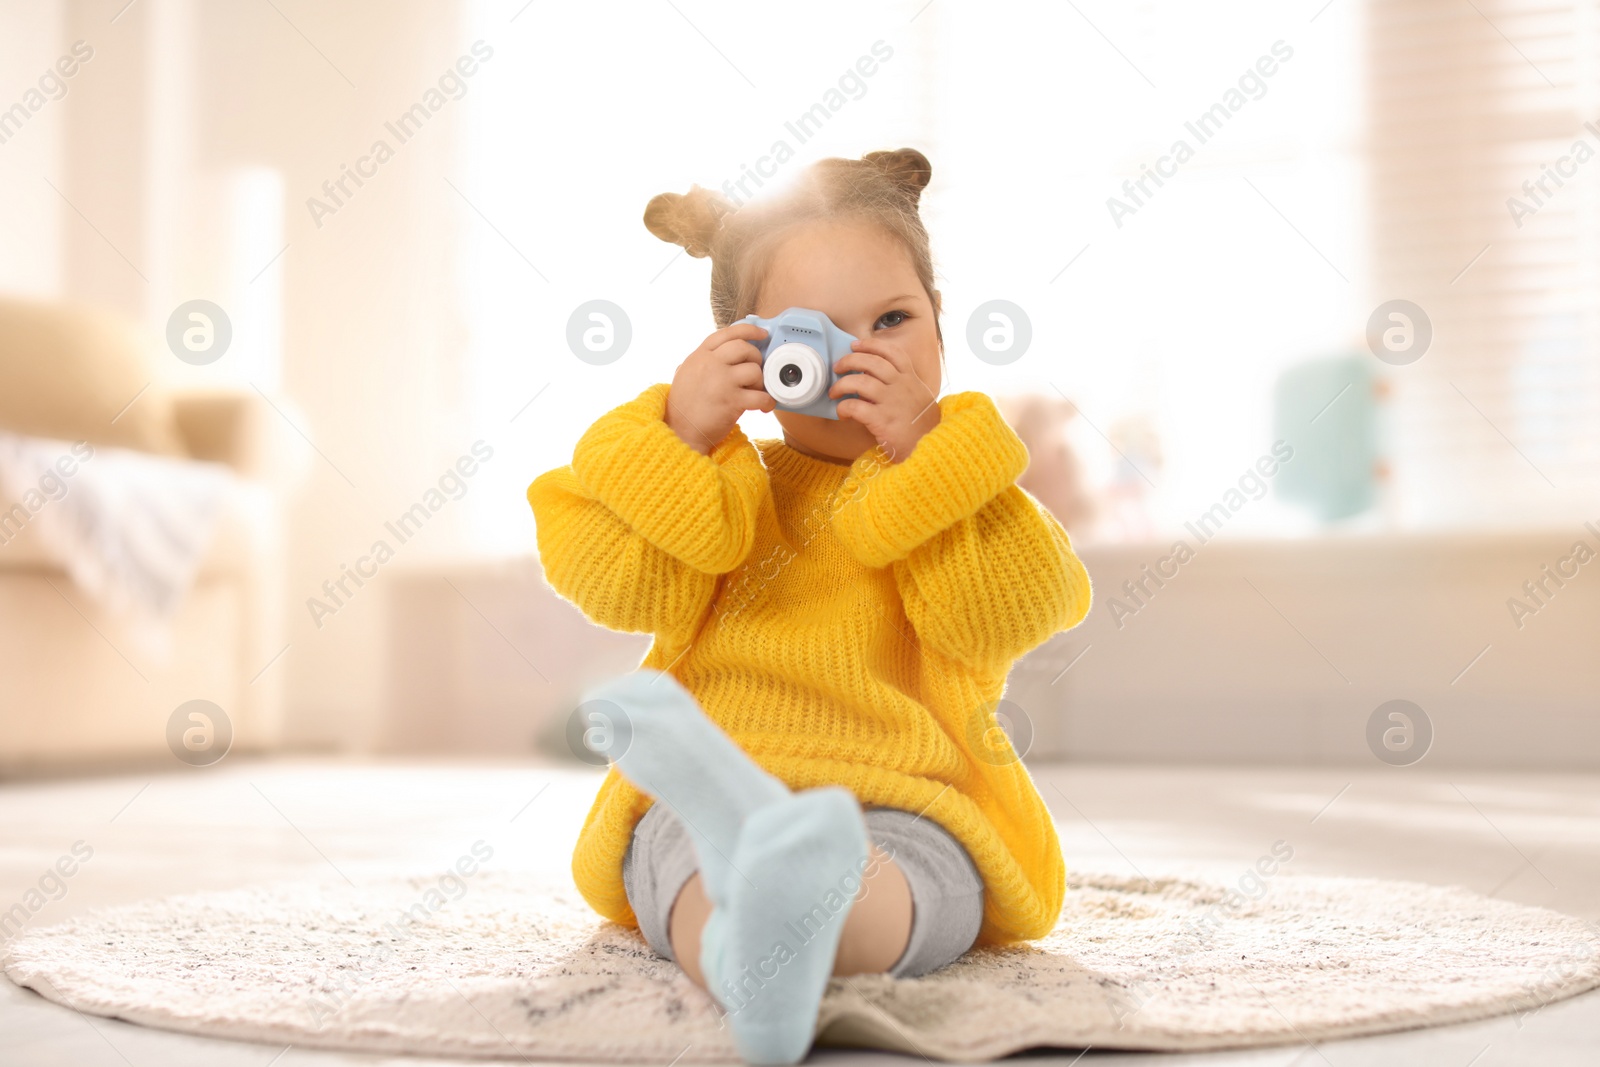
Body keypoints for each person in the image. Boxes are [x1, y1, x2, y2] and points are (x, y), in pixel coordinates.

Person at [526, 147, 1093, 1064]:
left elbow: (1010, 613)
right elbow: (616, 585)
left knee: (915, 884)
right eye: (814, 333)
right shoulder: (715, 483)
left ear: (941, 328)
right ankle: (746, 937)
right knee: (682, 858)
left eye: (894, 320)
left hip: (907, 798)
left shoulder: (966, 482)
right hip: (715, 785)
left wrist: (927, 462)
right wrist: (678, 434)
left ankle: (781, 930)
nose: (862, 356)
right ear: (748, 355)